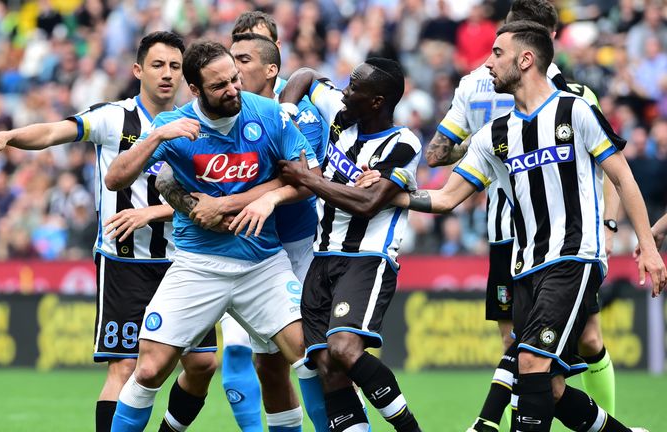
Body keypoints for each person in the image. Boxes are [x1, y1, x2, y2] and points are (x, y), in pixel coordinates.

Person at [380, 21, 663, 432]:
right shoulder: (494, 135)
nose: (488, 64)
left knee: (530, 362)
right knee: (551, 387)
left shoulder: (574, 111)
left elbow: (622, 178)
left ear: (525, 60)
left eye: (497, 53)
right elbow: (445, 197)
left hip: (572, 257)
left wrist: (648, 247)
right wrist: (391, 194)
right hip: (524, 267)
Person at [0, 32, 218, 432]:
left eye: (174, 66)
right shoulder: (113, 117)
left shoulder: (198, 124)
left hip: (184, 260)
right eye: (157, 65)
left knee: (202, 364)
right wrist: (11, 136)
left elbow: (211, 199)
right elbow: (53, 132)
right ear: (138, 70)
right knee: (126, 366)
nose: (167, 74)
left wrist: (152, 213)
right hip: (125, 263)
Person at [104, 40, 324, 432]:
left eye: (235, 79)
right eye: (220, 86)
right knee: (150, 369)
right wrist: (156, 137)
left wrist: (244, 201)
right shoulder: (174, 127)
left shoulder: (268, 113)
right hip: (198, 265)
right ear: (195, 89)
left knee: (310, 358)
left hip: (262, 264)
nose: (233, 90)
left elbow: (310, 180)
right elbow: (115, 178)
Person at [420, 1, 621, 429]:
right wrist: (488, 147)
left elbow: (611, 170)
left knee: (568, 345)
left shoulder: (572, 100)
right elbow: (441, 169)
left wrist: (607, 225)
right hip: (511, 233)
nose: (491, 59)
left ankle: (490, 421)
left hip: (567, 237)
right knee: (530, 352)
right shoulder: (481, 86)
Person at [244, 57, 424, 432]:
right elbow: (306, 76)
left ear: (376, 101)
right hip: (321, 258)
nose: (344, 91)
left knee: (343, 349)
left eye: (354, 87)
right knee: (326, 365)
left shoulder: (402, 143)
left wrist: (308, 179)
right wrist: (286, 112)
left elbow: (368, 203)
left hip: (366, 258)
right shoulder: (341, 117)